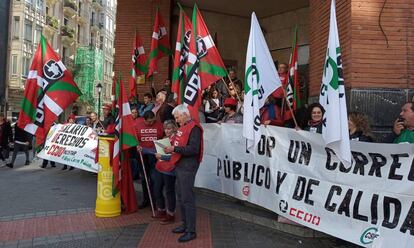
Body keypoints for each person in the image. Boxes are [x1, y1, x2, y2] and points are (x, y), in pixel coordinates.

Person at [164, 104, 203, 243]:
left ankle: (191, 230)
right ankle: (185, 224)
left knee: (187, 198)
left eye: (177, 117)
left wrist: (175, 148)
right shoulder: (184, 127)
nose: (176, 120)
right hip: (181, 165)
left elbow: (193, 149)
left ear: (185, 114)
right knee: (180, 196)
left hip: (188, 166)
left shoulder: (195, 128)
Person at [135, 111, 164, 209]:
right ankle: (146, 200)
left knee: (155, 179)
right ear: (144, 120)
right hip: (142, 155)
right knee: (144, 178)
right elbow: (134, 138)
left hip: (155, 155)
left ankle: (156, 200)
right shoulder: (137, 124)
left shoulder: (159, 125)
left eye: (153, 121)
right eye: (149, 122)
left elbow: (163, 137)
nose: (151, 124)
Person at [153, 120, 178, 225]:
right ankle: (162, 209)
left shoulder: (177, 139)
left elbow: (175, 156)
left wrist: (162, 156)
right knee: (157, 189)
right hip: (160, 167)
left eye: (169, 129)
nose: (167, 131)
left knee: (169, 191)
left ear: (174, 129)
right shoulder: (164, 139)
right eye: (166, 129)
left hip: (170, 170)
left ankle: (170, 214)